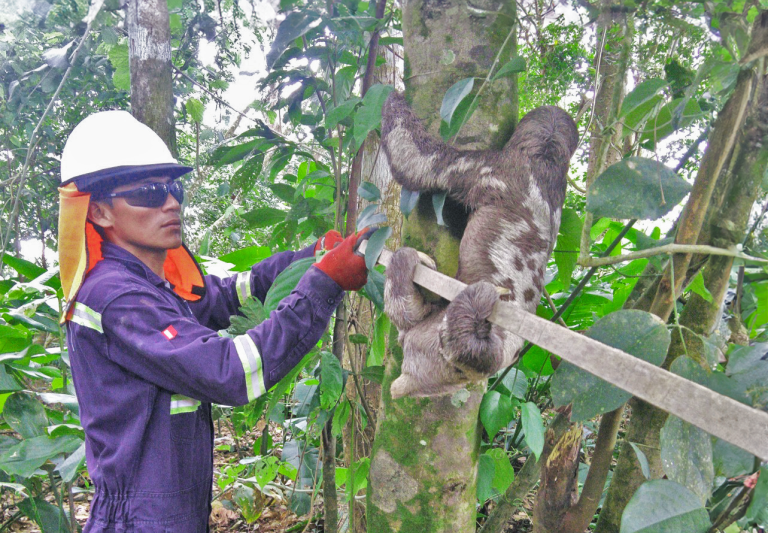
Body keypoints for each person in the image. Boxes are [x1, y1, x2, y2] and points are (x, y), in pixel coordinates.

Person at [57, 110, 369, 532]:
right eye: (149, 193)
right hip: (140, 520)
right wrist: (322, 285)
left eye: (173, 189)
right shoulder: (116, 296)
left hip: (170, 513)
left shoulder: (153, 282)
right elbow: (231, 371)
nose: (170, 203)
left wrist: (305, 260)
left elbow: (228, 294)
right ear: (99, 213)